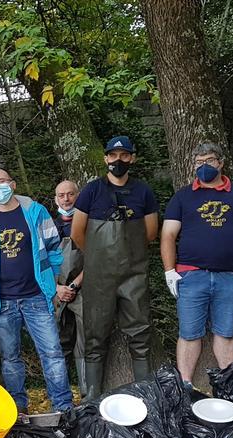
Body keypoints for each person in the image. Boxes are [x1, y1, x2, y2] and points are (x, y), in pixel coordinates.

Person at [160, 141, 233, 385]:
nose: (204, 166)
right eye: (199, 162)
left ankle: (228, 385)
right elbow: (168, 235)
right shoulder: (183, 197)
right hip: (191, 276)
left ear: (221, 163)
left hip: (231, 275)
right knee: (188, 334)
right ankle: (185, 385)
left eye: (209, 161)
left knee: (226, 333)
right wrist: (170, 272)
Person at [0, 168, 73, 413]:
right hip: (2, 302)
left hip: (36, 297)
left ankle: (63, 407)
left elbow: (53, 248)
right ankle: (18, 409)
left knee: (52, 353)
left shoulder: (35, 212)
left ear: (13, 184)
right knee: (10, 358)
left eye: (2, 181)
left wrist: (52, 284)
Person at [72, 136, 161, 396]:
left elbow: (151, 233)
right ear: (106, 159)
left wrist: (124, 251)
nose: (118, 160)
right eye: (113, 155)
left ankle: (146, 396)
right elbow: (78, 232)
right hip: (99, 276)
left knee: (140, 333)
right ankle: (92, 400)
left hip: (134, 273)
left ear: (132, 158)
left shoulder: (143, 191)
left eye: (124, 155)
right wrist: (100, 255)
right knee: (95, 335)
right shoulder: (92, 190)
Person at [53, 179, 87, 397]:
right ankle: (60, 396)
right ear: (55, 198)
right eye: (61, 195)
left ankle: (88, 393)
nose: (66, 199)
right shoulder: (48, 225)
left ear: (78, 195)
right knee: (58, 343)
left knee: (85, 344)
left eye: (71, 194)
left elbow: (97, 257)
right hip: (56, 291)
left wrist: (74, 285)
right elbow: (38, 261)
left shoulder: (88, 223)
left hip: (84, 289)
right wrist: (56, 288)